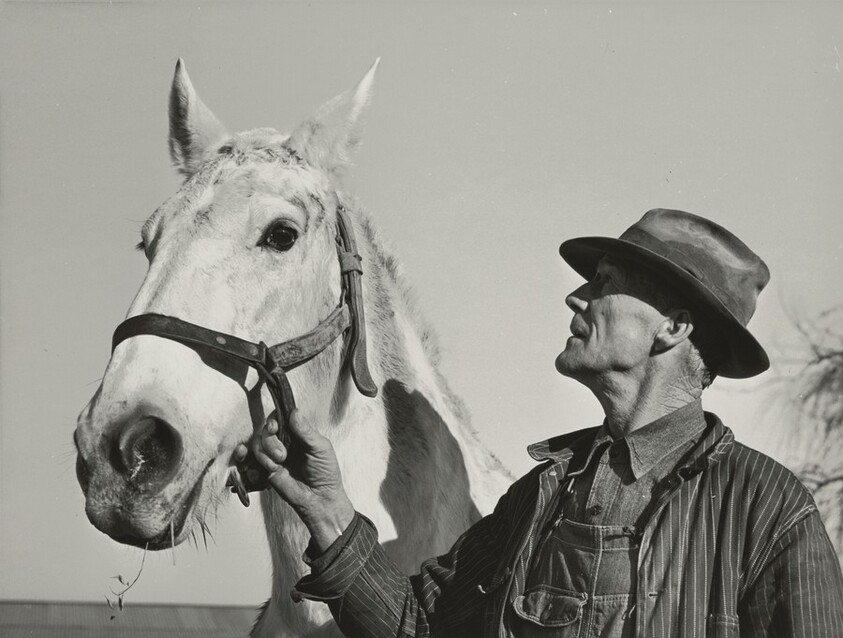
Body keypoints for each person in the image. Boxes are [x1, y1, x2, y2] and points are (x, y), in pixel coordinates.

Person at [245, 209, 843, 637]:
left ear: (674, 328)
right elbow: (416, 625)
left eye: (605, 283)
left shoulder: (768, 512)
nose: (577, 297)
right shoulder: (540, 499)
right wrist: (325, 505)